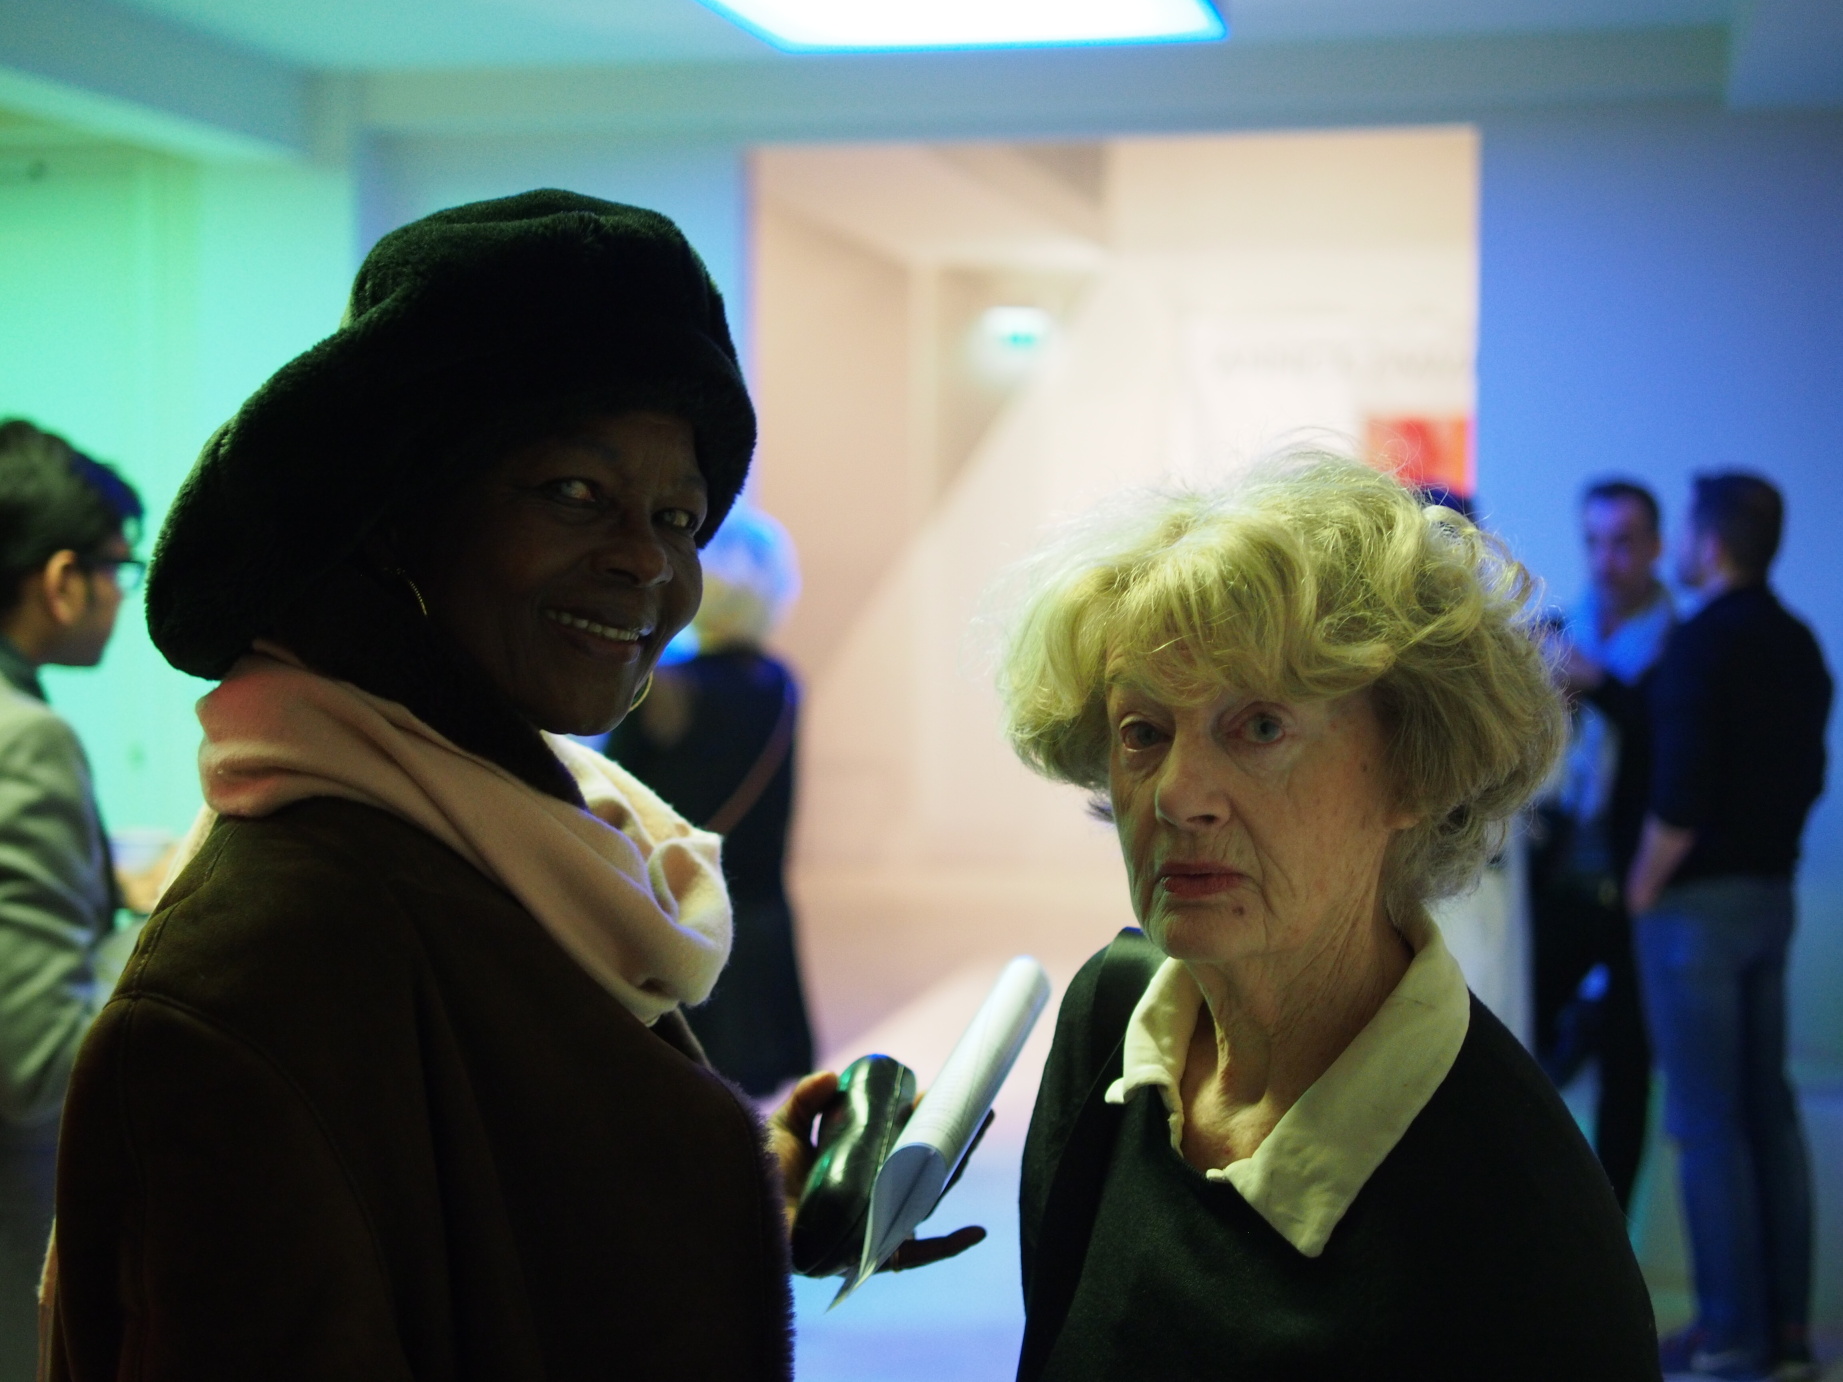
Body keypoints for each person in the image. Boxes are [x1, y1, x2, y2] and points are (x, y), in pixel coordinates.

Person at [40, 191, 974, 1381]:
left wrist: (750, 1178)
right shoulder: (277, 959)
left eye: (679, 514)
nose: (646, 559)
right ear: (398, 517)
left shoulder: (527, 842)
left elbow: (506, 1222)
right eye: (573, 492)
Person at [998, 455, 1659, 1380]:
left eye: (1260, 726)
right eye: (1142, 732)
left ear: (1414, 770)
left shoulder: (1524, 1226)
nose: (1178, 794)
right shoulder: (1111, 1021)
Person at [1623, 474, 1829, 1382]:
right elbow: (1808, 778)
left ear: (1708, 545)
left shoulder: (1699, 643)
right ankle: (1784, 1334)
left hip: (1694, 912)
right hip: (1771, 898)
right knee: (1767, 1116)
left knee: (1706, 1124)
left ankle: (1726, 1337)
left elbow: (1679, 798)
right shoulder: (1799, 643)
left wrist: (1639, 889)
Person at [0, 421, 143, 1380]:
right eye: (119, 570)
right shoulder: (28, 739)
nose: (123, 596)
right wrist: (164, 929)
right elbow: (39, 1061)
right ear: (62, 580)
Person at [606, 503, 814, 1096]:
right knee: (754, 1110)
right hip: (760, 927)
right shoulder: (780, 683)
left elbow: (609, 804)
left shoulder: (661, 687)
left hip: (682, 919)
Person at [1534, 478, 1672, 1210]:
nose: (1605, 560)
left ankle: (1611, 1244)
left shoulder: (1679, 645)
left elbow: (1677, 756)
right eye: (1593, 541)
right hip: (1560, 876)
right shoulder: (1564, 627)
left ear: (1654, 548)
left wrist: (1603, 685)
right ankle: (1528, 1223)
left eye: (1622, 542)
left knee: (1625, 1072)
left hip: (1640, 887)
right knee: (1517, 1045)